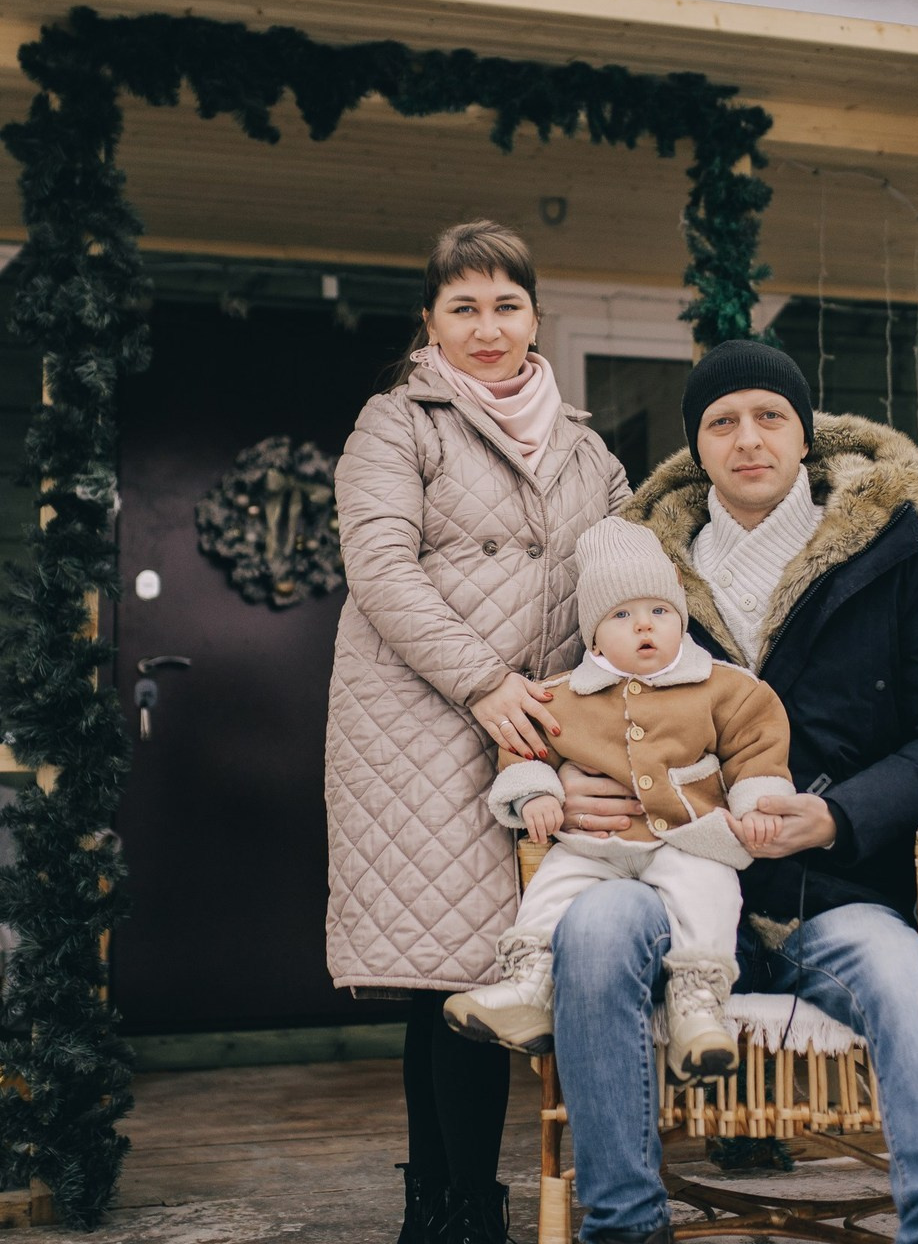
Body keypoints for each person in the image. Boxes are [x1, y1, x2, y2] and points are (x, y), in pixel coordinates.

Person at [550, 340, 918, 1244]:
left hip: (830, 896)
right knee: (595, 929)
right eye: (721, 422)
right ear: (698, 447)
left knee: (905, 973)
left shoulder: (899, 558)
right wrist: (569, 776)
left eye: (770, 417)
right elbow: (574, 695)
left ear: (806, 436)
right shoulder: (641, 570)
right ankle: (623, 1228)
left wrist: (840, 816)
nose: (747, 438)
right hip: (667, 883)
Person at [323, 220, 628, 1244]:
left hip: (540, 728)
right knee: (449, 966)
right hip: (418, 723)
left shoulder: (587, 447)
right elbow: (381, 570)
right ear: (431, 321)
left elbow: (626, 578)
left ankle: (464, 1202)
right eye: (464, 307)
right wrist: (484, 679)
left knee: (503, 961)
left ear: (534, 316)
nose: (487, 327)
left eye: (505, 304)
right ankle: (451, 1206)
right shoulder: (395, 422)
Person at [442, 516, 794, 1082]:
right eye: (622, 616)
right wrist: (536, 794)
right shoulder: (560, 696)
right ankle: (529, 986)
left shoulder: (725, 687)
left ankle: (698, 1010)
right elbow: (524, 752)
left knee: (709, 893)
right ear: (593, 636)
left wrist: (757, 807)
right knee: (554, 885)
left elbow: (757, 751)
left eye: (659, 612)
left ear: (680, 618)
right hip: (594, 846)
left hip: (689, 840)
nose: (644, 627)